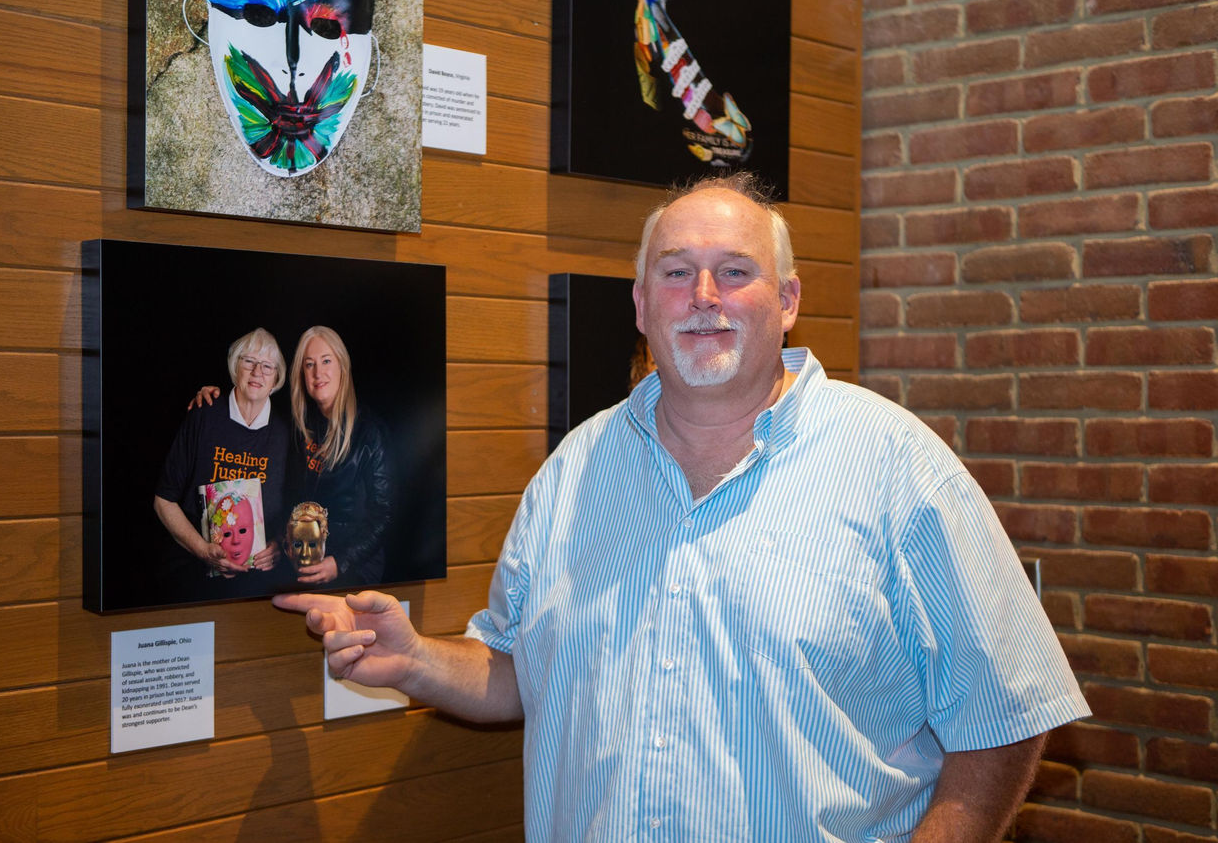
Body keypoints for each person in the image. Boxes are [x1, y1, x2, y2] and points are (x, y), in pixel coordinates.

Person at [275, 174, 1090, 842]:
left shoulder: (897, 468)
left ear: (790, 299)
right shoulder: (573, 472)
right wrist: (417, 659)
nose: (704, 295)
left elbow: (1007, 706)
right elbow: (522, 667)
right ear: (640, 305)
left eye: (735, 271)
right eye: (675, 272)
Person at [154, 328, 288, 588]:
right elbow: (163, 500)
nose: (257, 372)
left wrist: (278, 546)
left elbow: (293, 506)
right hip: (192, 570)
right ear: (234, 366)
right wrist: (202, 550)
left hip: (259, 580)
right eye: (249, 361)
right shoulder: (204, 415)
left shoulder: (284, 433)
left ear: (277, 378)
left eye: (267, 366)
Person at [285, 325, 392, 586]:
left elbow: (384, 514)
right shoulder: (303, 426)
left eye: (326, 361)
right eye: (309, 365)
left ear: (342, 366)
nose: (318, 373)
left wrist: (340, 562)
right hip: (307, 556)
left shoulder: (370, 432)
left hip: (353, 566)